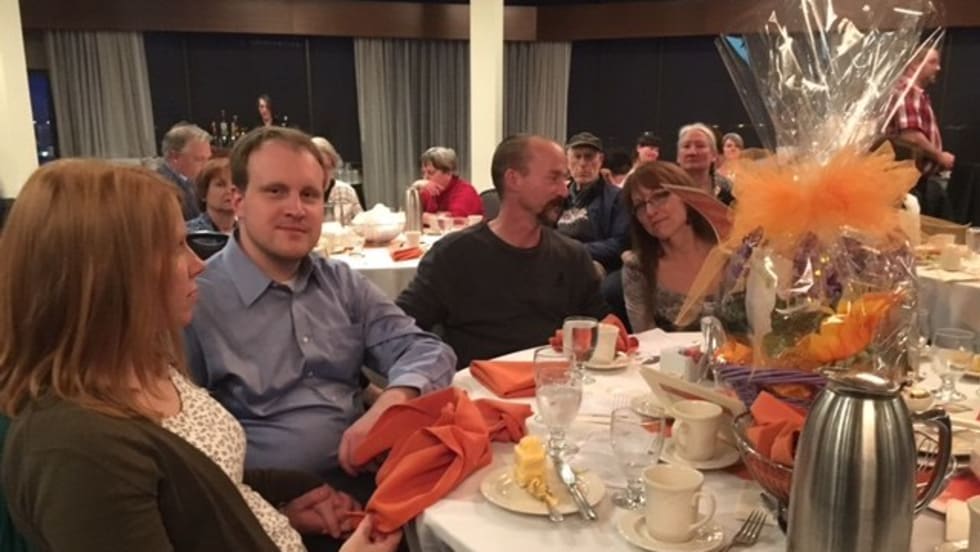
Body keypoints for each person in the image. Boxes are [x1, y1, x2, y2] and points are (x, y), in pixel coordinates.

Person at [0, 159, 401, 552]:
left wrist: (279, 509)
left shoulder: (144, 366)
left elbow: (200, 492)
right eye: (176, 248)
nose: (197, 266)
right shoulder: (77, 452)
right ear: (107, 276)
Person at [185, 126, 456, 486]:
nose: (296, 209)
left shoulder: (339, 282)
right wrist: (278, 498)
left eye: (309, 195)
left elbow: (426, 348)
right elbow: (181, 442)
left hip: (371, 478)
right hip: (265, 501)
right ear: (238, 201)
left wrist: (393, 401)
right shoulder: (196, 299)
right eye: (275, 191)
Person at [397, 134, 610, 369]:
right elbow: (399, 329)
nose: (564, 191)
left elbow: (602, 325)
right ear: (514, 180)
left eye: (564, 179)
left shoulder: (571, 256)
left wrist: (609, 334)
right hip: (477, 386)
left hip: (554, 385)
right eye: (554, 178)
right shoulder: (454, 255)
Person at [621, 161, 731, 332]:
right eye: (640, 205)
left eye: (660, 196)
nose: (650, 212)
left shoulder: (731, 251)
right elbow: (645, 338)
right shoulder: (637, 268)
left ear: (686, 197)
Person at [887, 47, 955, 219]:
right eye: (932, 62)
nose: (938, 68)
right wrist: (939, 156)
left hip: (915, 181)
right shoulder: (908, 91)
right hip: (909, 183)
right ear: (914, 64)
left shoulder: (916, 93)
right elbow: (910, 136)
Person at [158, 123, 213, 220]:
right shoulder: (162, 187)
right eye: (199, 159)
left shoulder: (196, 182)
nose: (206, 166)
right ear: (175, 157)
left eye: (208, 159)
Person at [417, 146, 483, 219]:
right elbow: (411, 217)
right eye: (423, 173)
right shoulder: (427, 191)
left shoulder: (466, 192)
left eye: (431, 172)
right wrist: (415, 187)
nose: (425, 178)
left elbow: (451, 221)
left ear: (448, 172)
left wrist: (423, 217)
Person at [677, 123, 734, 205]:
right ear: (678, 156)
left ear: (714, 155)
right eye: (686, 146)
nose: (692, 152)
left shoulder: (729, 191)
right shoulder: (664, 190)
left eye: (700, 146)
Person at [313, 136, 364, 225]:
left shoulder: (346, 191)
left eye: (328, 167)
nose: (323, 173)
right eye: (318, 167)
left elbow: (362, 225)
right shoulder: (300, 194)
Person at [187, 157, 238, 234]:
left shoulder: (249, 233)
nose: (230, 189)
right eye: (220, 184)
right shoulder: (189, 233)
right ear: (204, 192)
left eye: (235, 183)